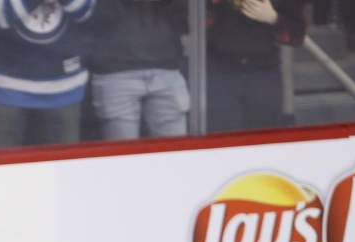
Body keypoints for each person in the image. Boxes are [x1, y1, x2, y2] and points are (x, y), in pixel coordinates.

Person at [0, 0, 96, 148]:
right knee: (0, 168)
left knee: (63, 167)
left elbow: (85, 10)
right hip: (4, 85)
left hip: (65, 86)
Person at [84, 0, 189, 140]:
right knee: (121, 156)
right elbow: (90, 15)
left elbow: (187, 18)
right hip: (114, 68)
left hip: (165, 64)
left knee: (173, 155)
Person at [205, 0, 306, 133]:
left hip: (263, 74)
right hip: (220, 71)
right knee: (220, 140)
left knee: (263, 138)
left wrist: (273, 18)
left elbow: (297, 35)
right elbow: (188, 17)